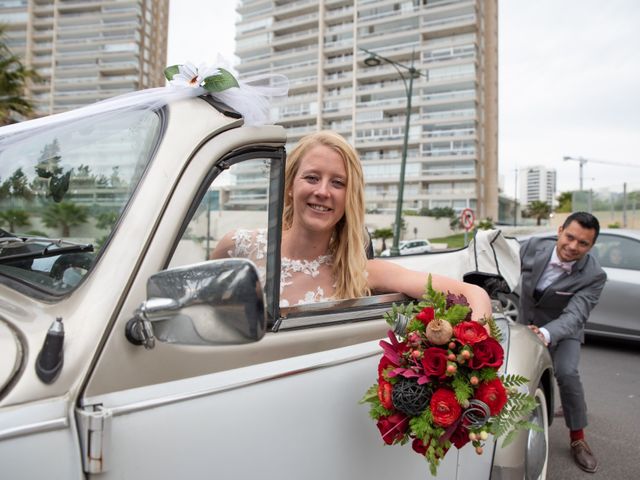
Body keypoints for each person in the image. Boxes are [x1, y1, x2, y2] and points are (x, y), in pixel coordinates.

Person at [212, 130, 491, 318]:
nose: (323, 191)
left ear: (349, 198)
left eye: (338, 183)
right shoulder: (237, 247)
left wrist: (470, 350)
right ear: (289, 186)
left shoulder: (360, 272)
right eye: (311, 178)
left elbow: (473, 294)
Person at [518, 212, 606, 473]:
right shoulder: (532, 247)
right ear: (559, 230)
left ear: (591, 246)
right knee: (521, 373)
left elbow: (575, 315)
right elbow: (501, 265)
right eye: (570, 237)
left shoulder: (594, 275)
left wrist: (544, 334)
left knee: (567, 373)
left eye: (583, 243)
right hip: (526, 321)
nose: (573, 247)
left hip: (565, 328)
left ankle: (578, 437)